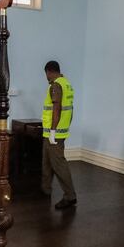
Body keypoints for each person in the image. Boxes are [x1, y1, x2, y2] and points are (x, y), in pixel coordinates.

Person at [41, 60, 78, 210]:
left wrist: (53, 131)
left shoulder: (55, 85)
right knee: (47, 162)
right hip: (56, 132)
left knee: (58, 164)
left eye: (46, 74)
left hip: (54, 133)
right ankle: (45, 189)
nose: (46, 77)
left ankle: (70, 196)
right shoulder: (66, 83)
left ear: (49, 71)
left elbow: (57, 108)